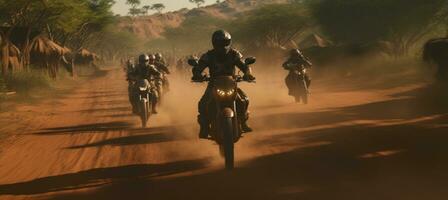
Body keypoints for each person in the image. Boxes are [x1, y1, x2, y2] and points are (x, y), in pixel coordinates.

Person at [192, 30, 256, 139]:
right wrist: (197, 74)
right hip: (213, 84)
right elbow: (198, 68)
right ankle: (205, 127)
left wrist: (248, 74)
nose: (223, 46)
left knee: (244, 100)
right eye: (220, 43)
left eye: (225, 43)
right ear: (214, 43)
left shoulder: (234, 54)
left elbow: (244, 66)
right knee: (203, 104)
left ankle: (243, 123)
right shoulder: (208, 55)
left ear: (229, 42)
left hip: (231, 83)